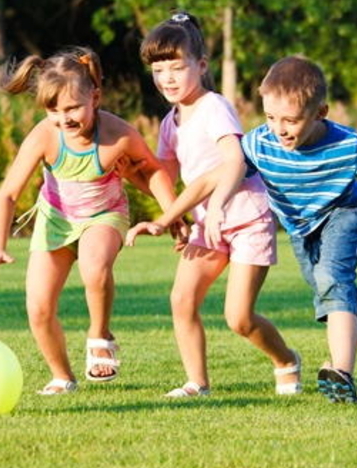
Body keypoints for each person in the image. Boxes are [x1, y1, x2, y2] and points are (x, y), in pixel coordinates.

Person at [206, 55, 357, 404]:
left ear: (320, 112)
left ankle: (341, 373)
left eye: (291, 120)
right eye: (271, 117)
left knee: (332, 281)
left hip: (344, 213)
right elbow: (230, 169)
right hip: (300, 228)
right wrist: (210, 206)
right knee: (334, 295)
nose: (279, 129)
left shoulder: (345, 146)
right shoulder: (260, 142)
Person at [125, 12, 301, 398]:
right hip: (208, 223)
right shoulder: (171, 122)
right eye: (158, 69)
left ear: (201, 66)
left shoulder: (214, 107)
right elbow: (163, 178)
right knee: (181, 299)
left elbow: (234, 160)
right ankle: (197, 383)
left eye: (176, 67)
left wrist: (218, 204)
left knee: (238, 318)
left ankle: (286, 360)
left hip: (245, 217)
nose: (167, 77)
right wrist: (125, 174)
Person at [0, 47, 180, 395]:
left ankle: (99, 334)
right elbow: (8, 195)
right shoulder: (45, 135)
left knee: (94, 267)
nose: (65, 118)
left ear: (96, 96)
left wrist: (173, 215)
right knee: (38, 308)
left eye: (73, 107)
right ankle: (62, 376)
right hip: (55, 221)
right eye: (54, 110)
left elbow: (152, 173)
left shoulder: (117, 134)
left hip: (104, 216)